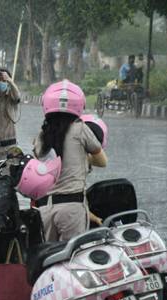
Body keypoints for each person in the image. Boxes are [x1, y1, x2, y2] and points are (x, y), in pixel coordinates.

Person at [33, 80, 108, 242]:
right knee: (72, 260)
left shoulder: (41, 135)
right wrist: (82, 156)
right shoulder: (80, 128)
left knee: (48, 258)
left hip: (45, 209)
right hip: (72, 208)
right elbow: (102, 161)